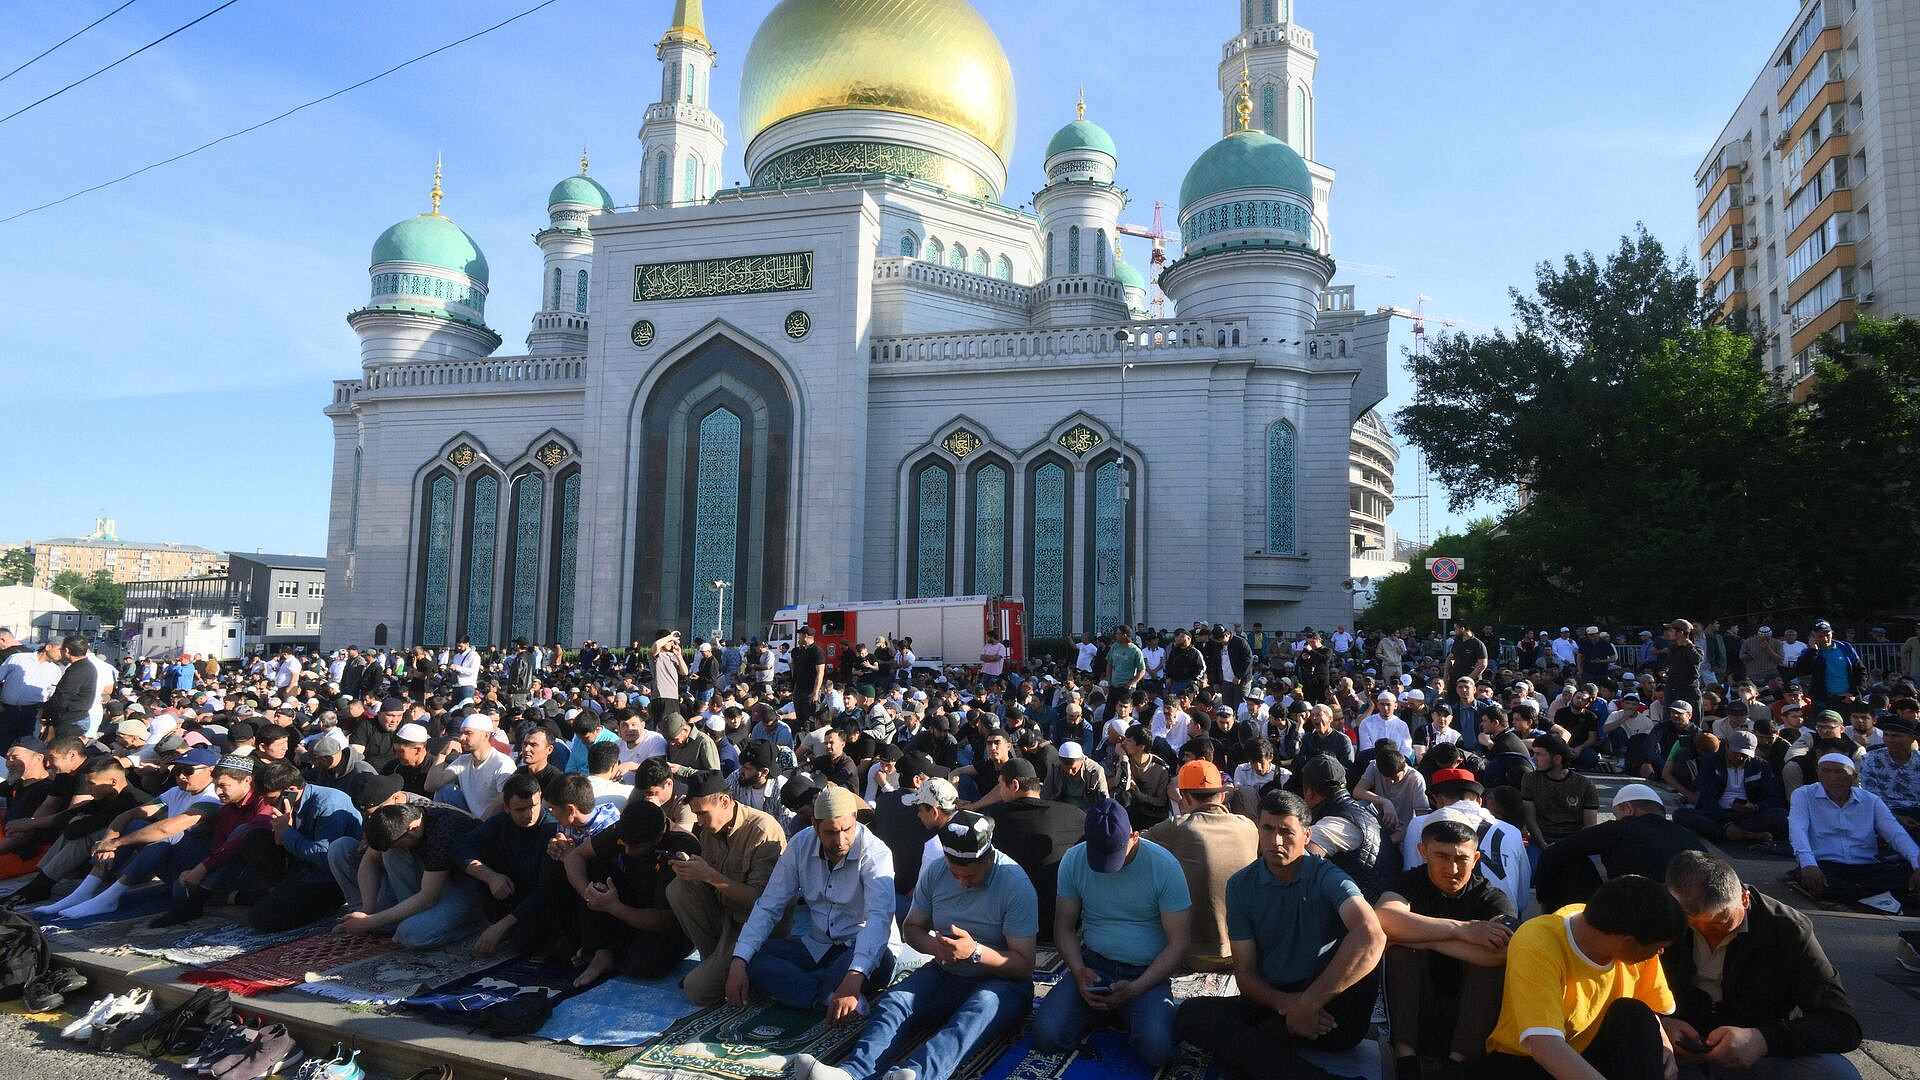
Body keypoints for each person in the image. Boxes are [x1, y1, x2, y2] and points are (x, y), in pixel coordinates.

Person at [797, 811, 1039, 1080]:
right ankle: (852, 1073)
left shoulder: (1015, 884)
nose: (961, 882)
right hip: (946, 972)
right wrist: (936, 948)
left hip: (1000, 981)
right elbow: (912, 929)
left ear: (989, 858)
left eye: (969, 876)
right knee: (895, 1002)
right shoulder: (937, 871)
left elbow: (1025, 964)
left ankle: (915, 1074)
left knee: (974, 1014)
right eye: (955, 873)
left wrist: (975, 953)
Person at [1173, 789, 1386, 1080]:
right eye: (1268, 829)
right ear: (1258, 829)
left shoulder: (1328, 876)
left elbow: (1371, 935)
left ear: (1307, 836)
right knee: (1191, 1014)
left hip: (1330, 1012)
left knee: (1364, 962)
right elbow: (1246, 977)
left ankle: (1266, 1049)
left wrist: (1310, 1003)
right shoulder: (1241, 885)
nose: (1276, 841)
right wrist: (1291, 1007)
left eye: (1286, 832)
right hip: (1278, 1006)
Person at [1660, 852, 1862, 1080]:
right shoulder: (1658, 916)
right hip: (1677, 1051)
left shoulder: (1787, 930)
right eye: (1693, 925)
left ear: (1744, 900)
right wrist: (1659, 1023)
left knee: (1837, 1074)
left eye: (1721, 922)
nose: (1709, 934)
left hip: (1754, 1057)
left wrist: (1763, 1039)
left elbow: (1842, 1024)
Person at [1030, 799, 1190, 1068]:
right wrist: (1079, 971)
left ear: (1134, 836)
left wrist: (1138, 987)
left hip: (1145, 974)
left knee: (1159, 1050)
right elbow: (1064, 926)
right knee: (1046, 1034)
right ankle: (1115, 1011)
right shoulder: (1074, 859)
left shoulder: (1164, 867)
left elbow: (1179, 941)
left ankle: (1122, 1010)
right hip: (1094, 966)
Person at [1481, 875, 1686, 1080]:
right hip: (1528, 1060)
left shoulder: (1624, 929)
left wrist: (1662, 1043)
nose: (1660, 952)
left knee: (1635, 1013)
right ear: (1629, 943)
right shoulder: (1538, 943)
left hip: (1588, 1051)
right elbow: (1544, 1045)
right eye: (1659, 947)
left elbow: (1648, 1008)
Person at [726, 785, 900, 1022]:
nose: (840, 840)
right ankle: (825, 995)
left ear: (855, 819)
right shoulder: (800, 845)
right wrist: (739, 961)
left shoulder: (876, 853)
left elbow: (879, 919)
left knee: (861, 967)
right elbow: (769, 905)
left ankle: (814, 989)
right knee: (753, 960)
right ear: (815, 826)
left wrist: (854, 975)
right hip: (818, 944)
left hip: (862, 947)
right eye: (830, 832)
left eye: (847, 829)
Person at [1378, 816, 1514, 1078]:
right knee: (1402, 950)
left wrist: (1420, 935)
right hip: (1418, 999)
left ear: (1475, 859)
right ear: (1423, 852)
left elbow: (1503, 950)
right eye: (1441, 856)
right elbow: (1384, 918)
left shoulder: (1491, 896)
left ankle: (1457, 1063)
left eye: (1461, 859)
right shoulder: (1406, 883)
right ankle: (1405, 1059)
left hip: (1470, 1008)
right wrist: (1461, 930)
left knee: (1489, 960)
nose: (1452, 868)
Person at [32, 746, 221, 920]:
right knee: (135, 824)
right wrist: (108, 841)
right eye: (177, 770)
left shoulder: (212, 798)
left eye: (188, 771)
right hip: (173, 864)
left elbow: (167, 828)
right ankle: (86, 890)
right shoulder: (176, 792)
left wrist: (116, 843)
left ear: (211, 771)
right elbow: (130, 814)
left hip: (196, 870)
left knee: (165, 835)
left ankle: (110, 896)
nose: (181, 776)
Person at [662, 771, 788, 1004]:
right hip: (728, 922)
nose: (698, 822)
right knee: (679, 887)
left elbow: (762, 904)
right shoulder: (711, 830)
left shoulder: (762, 830)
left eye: (702, 814)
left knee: (696, 989)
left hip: (757, 930)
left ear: (724, 802)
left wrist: (710, 876)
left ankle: (733, 972)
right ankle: (715, 965)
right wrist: (692, 871)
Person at [565, 796, 702, 986]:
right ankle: (604, 950)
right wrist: (589, 894)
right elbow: (576, 855)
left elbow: (661, 920)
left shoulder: (681, 846)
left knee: (644, 964)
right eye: (625, 844)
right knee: (592, 868)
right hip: (631, 900)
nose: (627, 851)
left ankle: (612, 952)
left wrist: (613, 908)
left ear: (658, 838)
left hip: (668, 919)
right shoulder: (624, 830)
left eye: (636, 846)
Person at [1142, 759, 1257, 972]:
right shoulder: (1248, 826)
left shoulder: (1177, 827)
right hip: (1246, 951)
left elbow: (1131, 845)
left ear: (1184, 798)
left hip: (1195, 955)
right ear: (1222, 796)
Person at [1534, 783, 1709, 911]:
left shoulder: (1620, 828)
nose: (1616, 819)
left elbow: (1553, 853)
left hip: (1638, 913)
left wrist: (1544, 899)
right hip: (1694, 913)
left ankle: (1558, 923)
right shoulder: (1687, 836)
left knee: (1568, 861)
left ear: (1628, 808)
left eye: (1617, 815)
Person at [338, 801, 485, 949]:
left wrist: (369, 921)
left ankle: (479, 922)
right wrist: (368, 909)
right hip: (436, 878)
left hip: (472, 883)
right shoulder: (404, 816)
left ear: (413, 828)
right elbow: (370, 858)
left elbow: (428, 897)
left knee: (409, 934)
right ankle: (408, 916)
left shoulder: (443, 832)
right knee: (390, 853)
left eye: (398, 844)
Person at [1787, 753, 1920, 905]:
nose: (1833, 778)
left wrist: (1917, 865)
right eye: (1826, 771)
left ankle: (1856, 894)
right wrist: (1808, 863)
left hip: (1866, 866)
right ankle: (1870, 895)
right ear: (1818, 773)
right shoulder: (1803, 795)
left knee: (1906, 872)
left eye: (1839, 772)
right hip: (1825, 864)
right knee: (1816, 878)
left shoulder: (1870, 800)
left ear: (1854, 776)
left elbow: (1896, 834)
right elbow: (1798, 830)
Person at [455, 771, 560, 956]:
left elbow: (546, 888)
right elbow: (460, 846)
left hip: (541, 898)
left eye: (533, 806)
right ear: (506, 808)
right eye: (520, 810)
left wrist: (504, 925)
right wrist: (491, 877)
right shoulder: (501, 822)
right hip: (510, 887)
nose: (529, 814)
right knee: (481, 852)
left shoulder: (551, 829)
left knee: (524, 942)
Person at [1399, 767, 1531, 912]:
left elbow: (1410, 881)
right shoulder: (1512, 832)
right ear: (1479, 801)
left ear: (1439, 800)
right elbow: (1522, 898)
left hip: (1436, 922)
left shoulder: (1421, 825)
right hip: (1503, 920)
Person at [984, 758, 1085, 944]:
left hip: (1016, 924)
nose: (1000, 792)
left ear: (1014, 785)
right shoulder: (1074, 815)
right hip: (1065, 920)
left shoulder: (997, 818)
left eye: (1000, 786)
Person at [1674, 730, 1788, 844]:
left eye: (1744, 755)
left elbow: (1772, 797)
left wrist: (1755, 807)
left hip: (1748, 815)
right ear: (1727, 747)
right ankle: (1746, 835)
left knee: (1781, 815)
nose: (1739, 758)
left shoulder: (1761, 766)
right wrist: (1726, 823)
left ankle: (1729, 834)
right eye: (1735, 753)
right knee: (1680, 814)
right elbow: (1707, 796)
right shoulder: (1711, 761)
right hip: (1717, 814)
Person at [1298, 753, 1383, 900]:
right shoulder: (1364, 812)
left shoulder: (1333, 824)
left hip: (1359, 911)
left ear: (1309, 792)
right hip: (1376, 900)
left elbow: (1295, 863)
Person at [1518, 735, 1597, 851]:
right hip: (1541, 838)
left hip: (1574, 841)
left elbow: (1590, 826)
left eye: (1539, 754)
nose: (1533, 759)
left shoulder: (1585, 785)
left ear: (1557, 759)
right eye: (1533, 753)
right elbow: (1530, 818)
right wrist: (1542, 844)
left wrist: (1571, 847)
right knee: (1531, 867)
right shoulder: (1529, 779)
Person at [38, 636, 98, 741]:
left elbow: (62, 697)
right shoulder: (86, 666)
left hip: (72, 721)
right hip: (78, 717)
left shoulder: (78, 669)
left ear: (66, 650)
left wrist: (44, 713)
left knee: (59, 752)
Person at [1039, 740, 1108, 808]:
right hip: (1062, 809)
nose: (1069, 772)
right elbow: (1045, 794)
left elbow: (1104, 802)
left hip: (1087, 812)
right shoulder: (1056, 768)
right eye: (1065, 768)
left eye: (1073, 768)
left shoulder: (1095, 771)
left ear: (1082, 760)